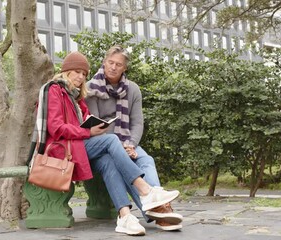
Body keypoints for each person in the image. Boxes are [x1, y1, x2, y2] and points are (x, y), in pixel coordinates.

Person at [30, 51, 180, 236]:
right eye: (76, 71)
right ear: (66, 71)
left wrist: (92, 127)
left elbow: (86, 120)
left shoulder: (76, 96)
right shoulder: (54, 90)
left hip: (78, 146)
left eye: (84, 74)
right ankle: (146, 191)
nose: (80, 77)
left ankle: (124, 216)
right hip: (63, 151)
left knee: (110, 160)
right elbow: (55, 128)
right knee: (111, 139)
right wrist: (88, 131)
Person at [85, 45, 183, 232]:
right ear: (104, 62)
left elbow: (137, 123)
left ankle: (156, 204)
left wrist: (130, 144)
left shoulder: (133, 90)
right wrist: (119, 147)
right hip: (104, 144)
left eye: (118, 64)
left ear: (125, 68)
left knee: (146, 159)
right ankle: (159, 211)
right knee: (118, 163)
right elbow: (96, 126)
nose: (113, 67)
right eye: (110, 62)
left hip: (127, 141)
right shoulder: (91, 88)